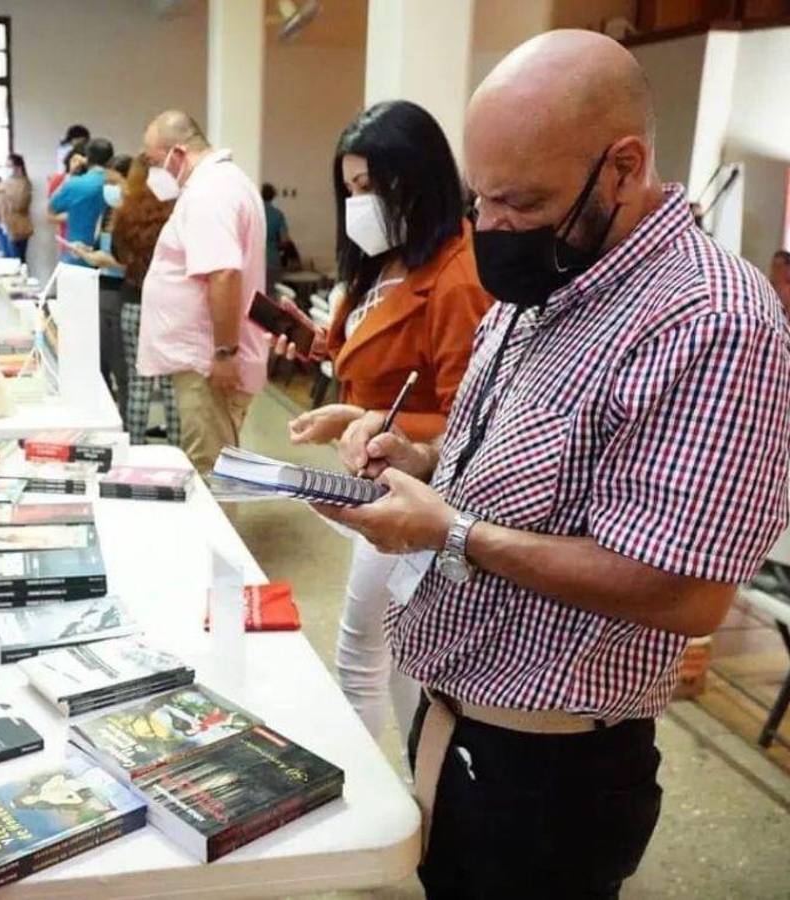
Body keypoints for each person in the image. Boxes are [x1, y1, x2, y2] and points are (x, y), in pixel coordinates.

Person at [321, 30, 790, 897]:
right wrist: (416, 457)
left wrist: (453, 532)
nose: (493, 228)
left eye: (522, 203)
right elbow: (498, 457)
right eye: (481, 199)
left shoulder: (714, 324)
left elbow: (686, 590)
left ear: (622, 167)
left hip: (551, 761)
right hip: (452, 708)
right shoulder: (547, 279)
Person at [277, 101, 492, 747]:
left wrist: (375, 418)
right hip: (369, 478)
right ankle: (410, 793)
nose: (357, 204)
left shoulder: (457, 277)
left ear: (416, 178)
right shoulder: (384, 258)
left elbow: (468, 417)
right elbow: (375, 352)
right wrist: (325, 349)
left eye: (369, 188)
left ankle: (378, 802)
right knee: (397, 655)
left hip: (415, 489)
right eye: (349, 191)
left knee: (363, 652)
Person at [138, 110, 268, 474]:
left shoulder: (210, 192)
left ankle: (218, 533)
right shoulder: (221, 183)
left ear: (177, 154)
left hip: (208, 361)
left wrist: (224, 353)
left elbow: (223, 274)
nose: (153, 173)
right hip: (206, 357)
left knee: (212, 469)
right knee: (213, 462)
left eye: (153, 161)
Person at [112, 156, 181, 445]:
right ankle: (179, 449)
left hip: (133, 302)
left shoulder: (125, 214)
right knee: (171, 384)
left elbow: (118, 255)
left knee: (138, 380)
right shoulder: (176, 213)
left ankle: (135, 447)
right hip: (170, 307)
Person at [68, 154, 132, 405]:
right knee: (99, 361)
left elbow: (139, 264)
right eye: (108, 182)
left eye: (115, 182)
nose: (110, 189)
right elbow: (99, 245)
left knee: (122, 367)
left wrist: (111, 262)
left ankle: (127, 423)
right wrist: (86, 250)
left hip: (123, 292)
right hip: (101, 288)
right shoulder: (107, 213)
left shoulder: (137, 217)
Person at [49, 136, 113, 265]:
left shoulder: (75, 184)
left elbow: (50, 209)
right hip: (109, 258)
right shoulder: (117, 184)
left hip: (76, 255)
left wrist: (70, 174)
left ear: (87, 158)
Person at [0, 153, 33, 260]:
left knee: (17, 260)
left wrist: (5, 191)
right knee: (6, 260)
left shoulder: (24, 184)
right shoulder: (4, 182)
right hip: (2, 226)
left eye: (9, 166)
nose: (7, 169)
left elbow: (21, 204)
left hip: (17, 228)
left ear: (18, 167)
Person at [262, 182, 290, 291]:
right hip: (272, 260)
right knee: (272, 295)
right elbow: (284, 240)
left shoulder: (254, 212)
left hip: (255, 261)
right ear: (273, 196)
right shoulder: (278, 215)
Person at [770, 249, 790, 317]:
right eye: (773, 266)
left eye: (779, 267)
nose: (774, 270)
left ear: (788, 269)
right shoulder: (767, 287)